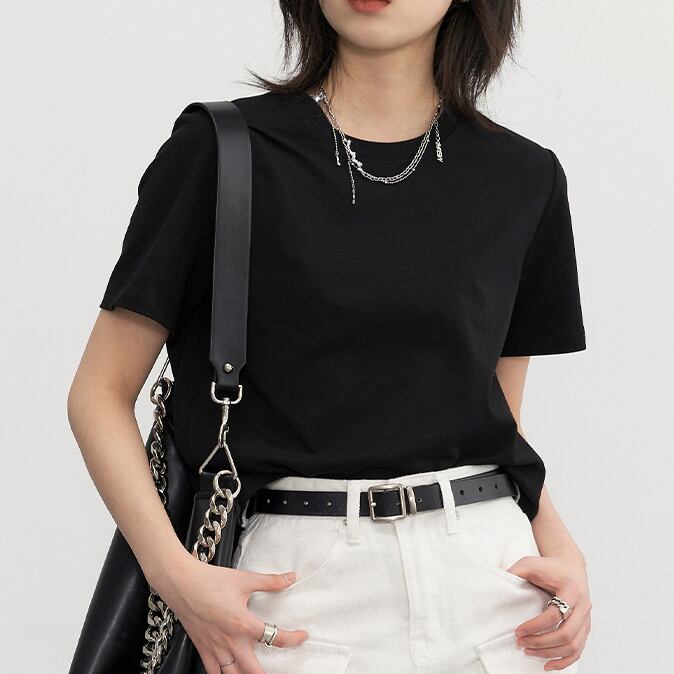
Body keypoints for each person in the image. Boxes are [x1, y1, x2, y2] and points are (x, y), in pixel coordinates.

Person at [67, 0, 592, 672]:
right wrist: (176, 576)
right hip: (293, 592)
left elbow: (494, 420)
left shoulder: (524, 176)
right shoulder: (222, 151)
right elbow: (99, 393)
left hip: (491, 588)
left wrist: (563, 550)